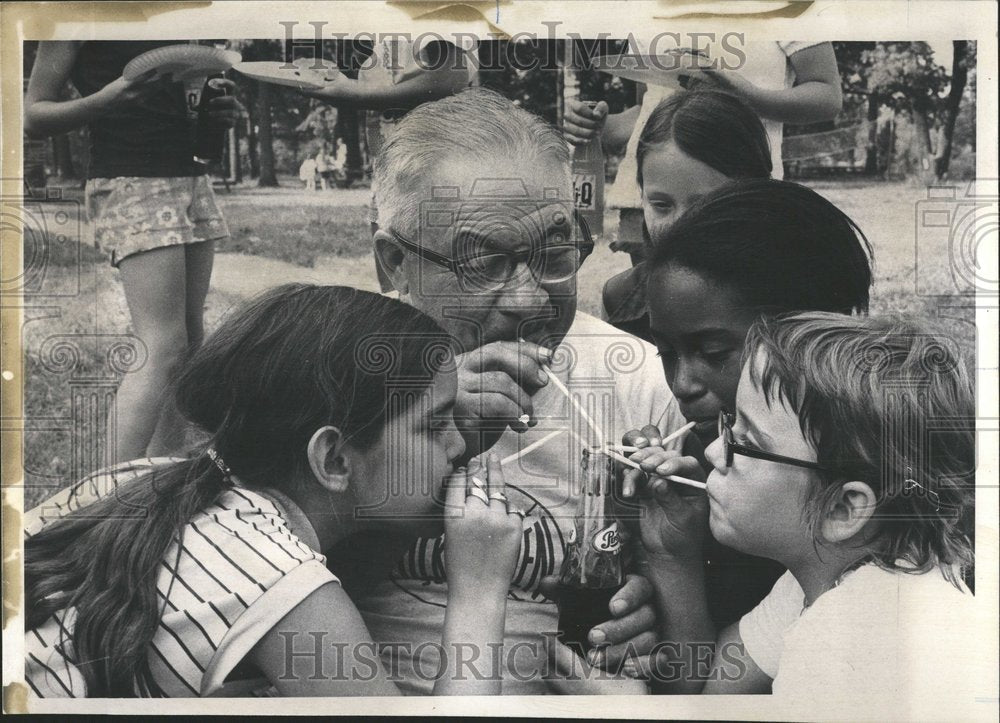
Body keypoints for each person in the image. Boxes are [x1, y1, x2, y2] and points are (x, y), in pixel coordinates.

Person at [24, 284, 525, 697]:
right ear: (332, 459)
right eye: (435, 425)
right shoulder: (283, 587)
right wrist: (479, 593)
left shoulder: (135, 478)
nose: (460, 444)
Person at [359, 87, 688, 694]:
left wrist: (650, 614)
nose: (530, 298)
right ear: (393, 263)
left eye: (554, 251)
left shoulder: (641, 379)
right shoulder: (336, 377)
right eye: (482, 263)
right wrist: (433, 439)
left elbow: (670, 584)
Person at [550, 312, 977, 704]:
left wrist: (628, 715)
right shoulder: (825, 576)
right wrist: (673, 554)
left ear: (844, 510)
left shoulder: (855, 644)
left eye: (747, 443)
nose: (715, 451)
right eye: (729, 422)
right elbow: (710, 688)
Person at [621, 179, 874, 627]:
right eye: (665, 352)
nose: (681, 384)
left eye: (714, 353)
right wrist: (669, 552)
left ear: (811, 332)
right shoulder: (707, 470)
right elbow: (706, 687)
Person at [24, 41, 244, 463]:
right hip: (131, 177)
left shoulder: (177, 18)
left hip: (189, 176)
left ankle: (161, 481)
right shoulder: (75, 16)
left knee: (190, 341)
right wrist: (105, 100)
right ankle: (103, 505)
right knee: (162, 344)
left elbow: (184, 94)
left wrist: (220, 112)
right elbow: (34, 114)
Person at [564, 40, 842, 259]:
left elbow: (827, 97)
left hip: (730, 187)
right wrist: (601, 127)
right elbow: (650, 105)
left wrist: (745, 97)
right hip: (652, 197)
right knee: (647, 313)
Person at [301, 36, 478, 289]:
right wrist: (332, 81)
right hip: (390, 171)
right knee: (398, 287)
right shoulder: (385, 32)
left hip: (435, 164)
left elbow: (450, 76)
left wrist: (356, 94)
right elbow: (388, 89)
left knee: (445, 286)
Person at [601, 89, 773, 341]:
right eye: (661, 205)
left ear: (754, 196)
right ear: (641, 194)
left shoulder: (792, 296)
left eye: (703, 205)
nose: (679, 225)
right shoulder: (619, 298)